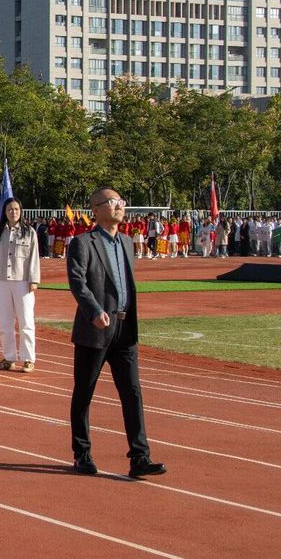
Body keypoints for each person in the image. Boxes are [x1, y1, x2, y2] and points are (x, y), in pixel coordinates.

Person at [66, 187, 166, 479]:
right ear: (96, 210)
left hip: (124, 328)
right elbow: (77, 281)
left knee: (132, 392)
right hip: (95, 329)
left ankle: (140, 456)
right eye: (112, 202)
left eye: (121, 201)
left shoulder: (126, 242)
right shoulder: (83, 243)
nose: (119, 206)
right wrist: (94, 310)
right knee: (84, 392)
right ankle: (82, 453)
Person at [0, 197, 41, 373]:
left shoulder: (29, 232)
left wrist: (34, 279)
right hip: (2, 281)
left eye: (16, 209)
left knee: (26, 321)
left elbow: (34, 257)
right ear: (4, 212)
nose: (13, 212)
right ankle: (9, 357)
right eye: (10, 209)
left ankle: (28, 358)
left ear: (21, 211)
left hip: (22, 281)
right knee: (5, 322)